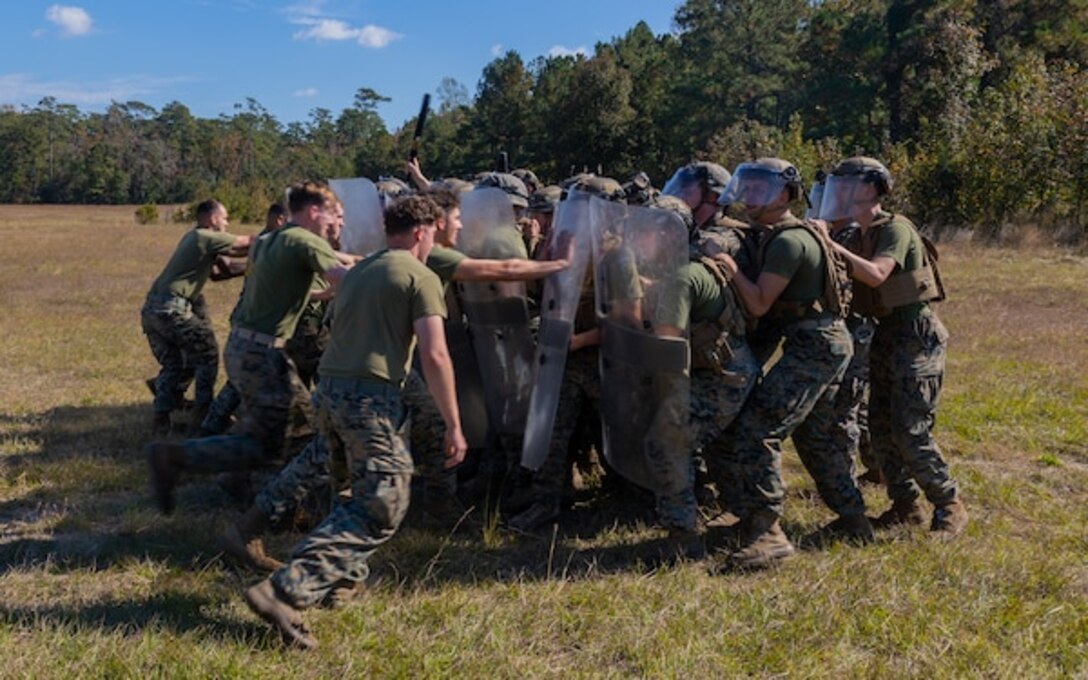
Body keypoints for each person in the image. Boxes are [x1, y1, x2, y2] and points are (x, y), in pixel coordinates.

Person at [243, 195, 467, 650]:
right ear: (424, 232)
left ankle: (342, 582)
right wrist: (453, 423)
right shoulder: (421, 276)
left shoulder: (362, 270)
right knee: (383, 501)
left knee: (349, 491)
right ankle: (287, 589)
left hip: (330, 391)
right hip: (370, 397)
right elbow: (435, 353)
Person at [146, 182, 351, 515]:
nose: (337, 225)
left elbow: (318, 274)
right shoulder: (305, 239)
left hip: (245, 349)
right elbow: (344, 277)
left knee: (276, 429)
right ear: (314, 212)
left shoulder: (274, 239)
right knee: (291, 436)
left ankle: (233, 479)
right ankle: (277, 509)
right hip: (263, 355)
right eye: (334, 217)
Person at [713, 157, 870, 569]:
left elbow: (759, 301)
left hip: (814, 345)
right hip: (825, 341)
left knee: (759, 429)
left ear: (784, 195)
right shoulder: (786, 232)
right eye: (746, 187)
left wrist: (729, 268)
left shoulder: (787, 241)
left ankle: (767, 533)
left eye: (760, 189)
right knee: (814, 436)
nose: (749, 197)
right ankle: (854, 518)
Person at [815, 156, 967, 538]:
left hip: (916, 336)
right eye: (840, 186)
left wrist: (829, 245)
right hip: (885, 334)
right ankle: (905, 506)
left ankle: (948, 505)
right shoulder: (851, 234)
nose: (843, 193)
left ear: (874, 190)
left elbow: (877, 273)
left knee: (910, 429)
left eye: (851, 185)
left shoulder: (895, 229)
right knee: (881, 428)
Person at [141, 199, 250, 435]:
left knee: (175, 364)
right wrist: (279, 243)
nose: (228, 222)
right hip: (172, 310)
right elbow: (246, 243)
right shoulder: (205, 236)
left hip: (153, 311)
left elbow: (224, 271)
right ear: (212, 219)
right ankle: (203, 415)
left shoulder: (195, 239)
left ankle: (161, 420)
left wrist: (251, 267)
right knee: (207, 354)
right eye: (225, 217)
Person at [199, 203, 288, 436]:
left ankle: (213, 423)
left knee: (243, 378)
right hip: (257, 319)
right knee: (249, 377)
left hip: (249, 316)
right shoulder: (274, 243)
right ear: (280, 220)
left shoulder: (266, 242)